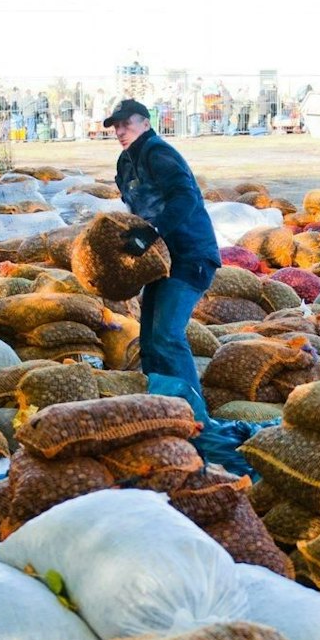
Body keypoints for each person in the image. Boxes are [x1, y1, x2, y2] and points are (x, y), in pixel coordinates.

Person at [107, 97, 218, 410]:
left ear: (145, 123)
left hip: (190, 255)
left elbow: (185, 197)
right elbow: (136, 211)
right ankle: (163, 409)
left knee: (167, 335)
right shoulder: (125, 162)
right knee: (150, 341)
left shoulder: (158, 152)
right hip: (160, 261)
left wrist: (154, 231)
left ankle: (194, 414)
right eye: (116, 126)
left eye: (126, 123)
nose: (120, 131)